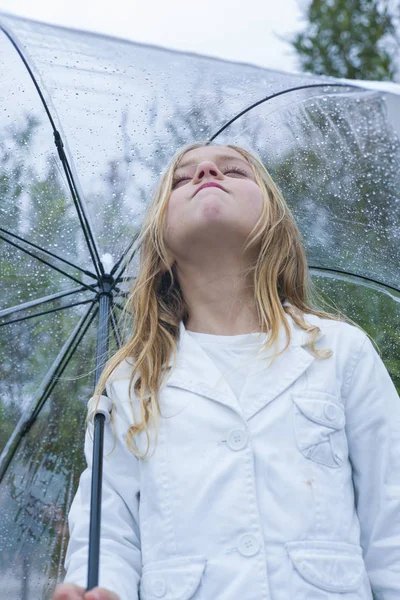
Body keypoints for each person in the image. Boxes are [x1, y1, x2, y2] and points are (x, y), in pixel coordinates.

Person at [52, 142, 400, 600]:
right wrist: (99, 586)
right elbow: (110, 533)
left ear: (273, 226)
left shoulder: (341, 351)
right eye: (181, 178)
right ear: (162, 245)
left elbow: (391, 517)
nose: (208, 171)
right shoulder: (129, 384)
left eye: (234, 170)